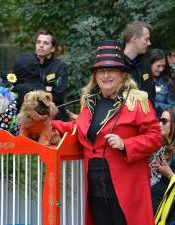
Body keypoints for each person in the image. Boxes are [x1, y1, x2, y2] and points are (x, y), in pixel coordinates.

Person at [52, 40, 162, 225]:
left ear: (122, 74)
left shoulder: (137, 101)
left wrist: (125, 144)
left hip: (126, 187)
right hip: (94, 185)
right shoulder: (89, 102)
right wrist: (47, 125)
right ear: (95, 76)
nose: (106, 75)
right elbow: (78, 129)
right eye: (101, 71)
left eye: (111, 70)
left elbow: (155, 138)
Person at [35, 30, 69, 121]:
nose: (41, 45)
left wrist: (36, 91)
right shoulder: (28, 64)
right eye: (38, 42)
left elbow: (59, 95)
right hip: (32, 116)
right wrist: (47, 89)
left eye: (46, 43)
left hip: (54, 117)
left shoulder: (60, 67)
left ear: (53, 48)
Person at [123, 21, 156, 102]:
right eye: (146, 39)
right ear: (134, 39)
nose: (149, 43)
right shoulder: (117, 65)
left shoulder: (145, 63)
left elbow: (151, 95)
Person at [150, 107, 175, 212]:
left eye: (164, 121)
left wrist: (169, 174)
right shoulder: (162, 146)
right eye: (159, 120)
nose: (159, 124)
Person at [150, 49, 175, 117]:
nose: (161, 69)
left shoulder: (168, 82)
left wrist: (153, 104)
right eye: (158, 66)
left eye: (163, 66)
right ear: (150, 63)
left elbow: (173, 107)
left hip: (160, 121)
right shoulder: (142, 80)